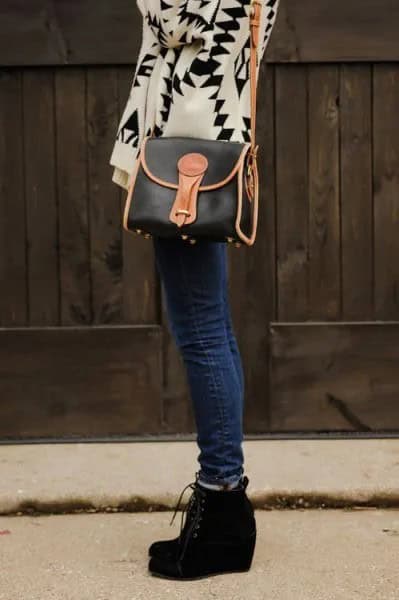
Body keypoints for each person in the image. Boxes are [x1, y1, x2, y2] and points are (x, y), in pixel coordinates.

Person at [109, 0, 280, 580]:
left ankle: (223, 502)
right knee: (211, 328)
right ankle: (224, 507)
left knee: (202, 331)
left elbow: (183, 23)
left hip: (190, 147)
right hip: (200, 137)